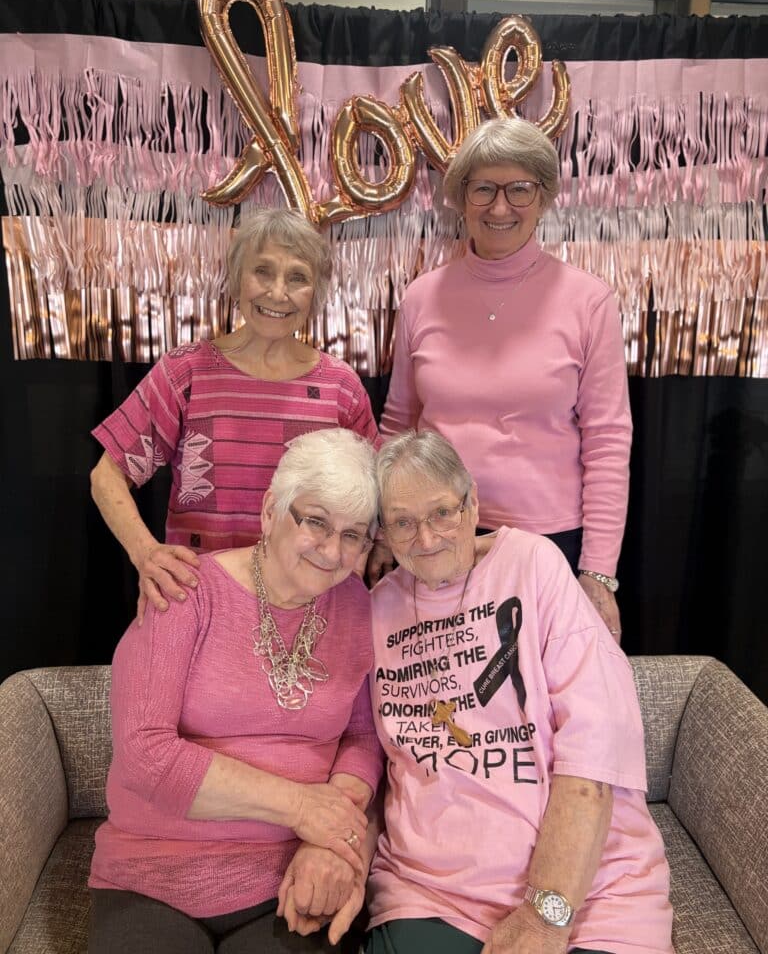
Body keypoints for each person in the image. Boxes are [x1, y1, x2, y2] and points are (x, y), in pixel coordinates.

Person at [281, 430, 669, 953]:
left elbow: (595, 746)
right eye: (402, 522)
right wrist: (346, 853)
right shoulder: (375, 608)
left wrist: (544, 914)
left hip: (588, 893)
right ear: (383, 536)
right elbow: (369, 755)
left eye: (442, 512)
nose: (426, 538)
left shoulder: (533, 566)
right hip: (432, 893)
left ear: (473, 503)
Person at [87, 428, 383, 954]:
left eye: (354, 535)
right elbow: (145, 755)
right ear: (272, 510)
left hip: (293, 876)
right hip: (154, 875)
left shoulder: (357, 605)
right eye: (315, 522)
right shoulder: (183, 591)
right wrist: (301, 807)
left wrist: (334, 842)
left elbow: (363, 737)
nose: (334, 551)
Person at [377, 118, 631, 638]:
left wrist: (598, 572)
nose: (499, 207)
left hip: (548, 543)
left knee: (534, 704)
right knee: (442, 705)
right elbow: (398, 424)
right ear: (461, 198)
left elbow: (607, 441)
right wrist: (382, 530)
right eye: (484, 189)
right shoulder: (421, 298)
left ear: (544, 198)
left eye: (519, 189)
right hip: (434, 538)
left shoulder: (589, 301)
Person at [91, 208, 380, 619]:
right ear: (236, 278)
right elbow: (106, 477)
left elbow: (376, 500)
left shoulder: (341, 389)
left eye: (297, 277)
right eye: (263, 271)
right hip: (202, 605)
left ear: (315, 293)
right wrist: (146, 553)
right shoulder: (186, 373)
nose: (278, 293)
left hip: (311, 614)